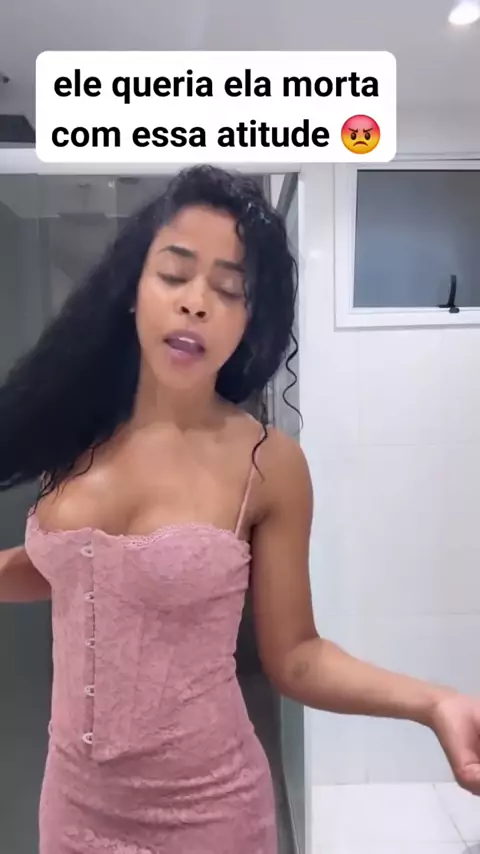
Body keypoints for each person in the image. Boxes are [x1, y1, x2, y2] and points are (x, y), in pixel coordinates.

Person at [0, 164, 479, 854]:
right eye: (174, 274)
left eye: (229, 290)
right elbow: (70, 570)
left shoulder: (268, 464)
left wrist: (434, 702)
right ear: (133, 291)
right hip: (73, 807)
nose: (196, 303)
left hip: (210, 813)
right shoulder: (73, 431)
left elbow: (298, 655)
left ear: (248, 322)